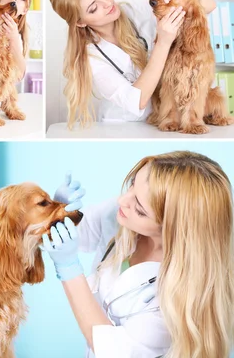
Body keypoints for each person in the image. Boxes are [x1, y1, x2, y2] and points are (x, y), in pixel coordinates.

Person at [44, 151, 234, 358]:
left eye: (141, 209)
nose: (122, 200)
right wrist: (56, 213)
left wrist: (69, 269)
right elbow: (69, 236)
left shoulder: (176, 303)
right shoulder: (121, 215)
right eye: (132, 185)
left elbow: (110, 349)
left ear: (173, 228)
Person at [49, 0, 216, 128]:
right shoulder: (91, 57)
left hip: (162, 122)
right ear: (80, 22)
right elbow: (136, 101)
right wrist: (163, 43)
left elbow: (209, 5)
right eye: (93, 8)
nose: (107, 3)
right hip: (124, 127)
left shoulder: (136, 11)